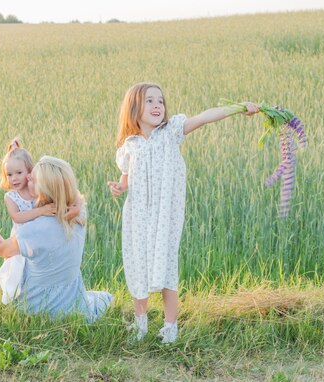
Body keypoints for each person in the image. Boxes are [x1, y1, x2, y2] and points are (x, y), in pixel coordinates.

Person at [107, 82, 259, 343]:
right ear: (133, 108)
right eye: (150, 101)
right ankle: (140, 324)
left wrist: (238, 108)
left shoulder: (171, 131)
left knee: (166, 266)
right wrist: (120, 187)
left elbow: (204, 117)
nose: (158, 106)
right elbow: (126, 176)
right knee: (137, 264)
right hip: (138, 215)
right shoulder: (129, 146)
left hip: (166, 214)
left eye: (161, 101)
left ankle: (170, 327)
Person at [0, 156, 112, 323]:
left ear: (43, 190)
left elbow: (2, 249)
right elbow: (77, 197)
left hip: (35, 306)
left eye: (33, 179)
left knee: (15, 264)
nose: (27, 177)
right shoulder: (78, 213)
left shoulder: (36, 229)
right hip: (72, 302)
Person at [0, 138, 56, 304]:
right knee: (15, 271)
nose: (14, 178)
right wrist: (41, 211)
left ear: (30, 172)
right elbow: (17, 217)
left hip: (37, 237)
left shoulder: (35, 189)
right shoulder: (11, 197)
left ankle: (29, 298)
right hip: (20, 238)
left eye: (19, 173)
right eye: (9, 174)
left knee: (32, 271)